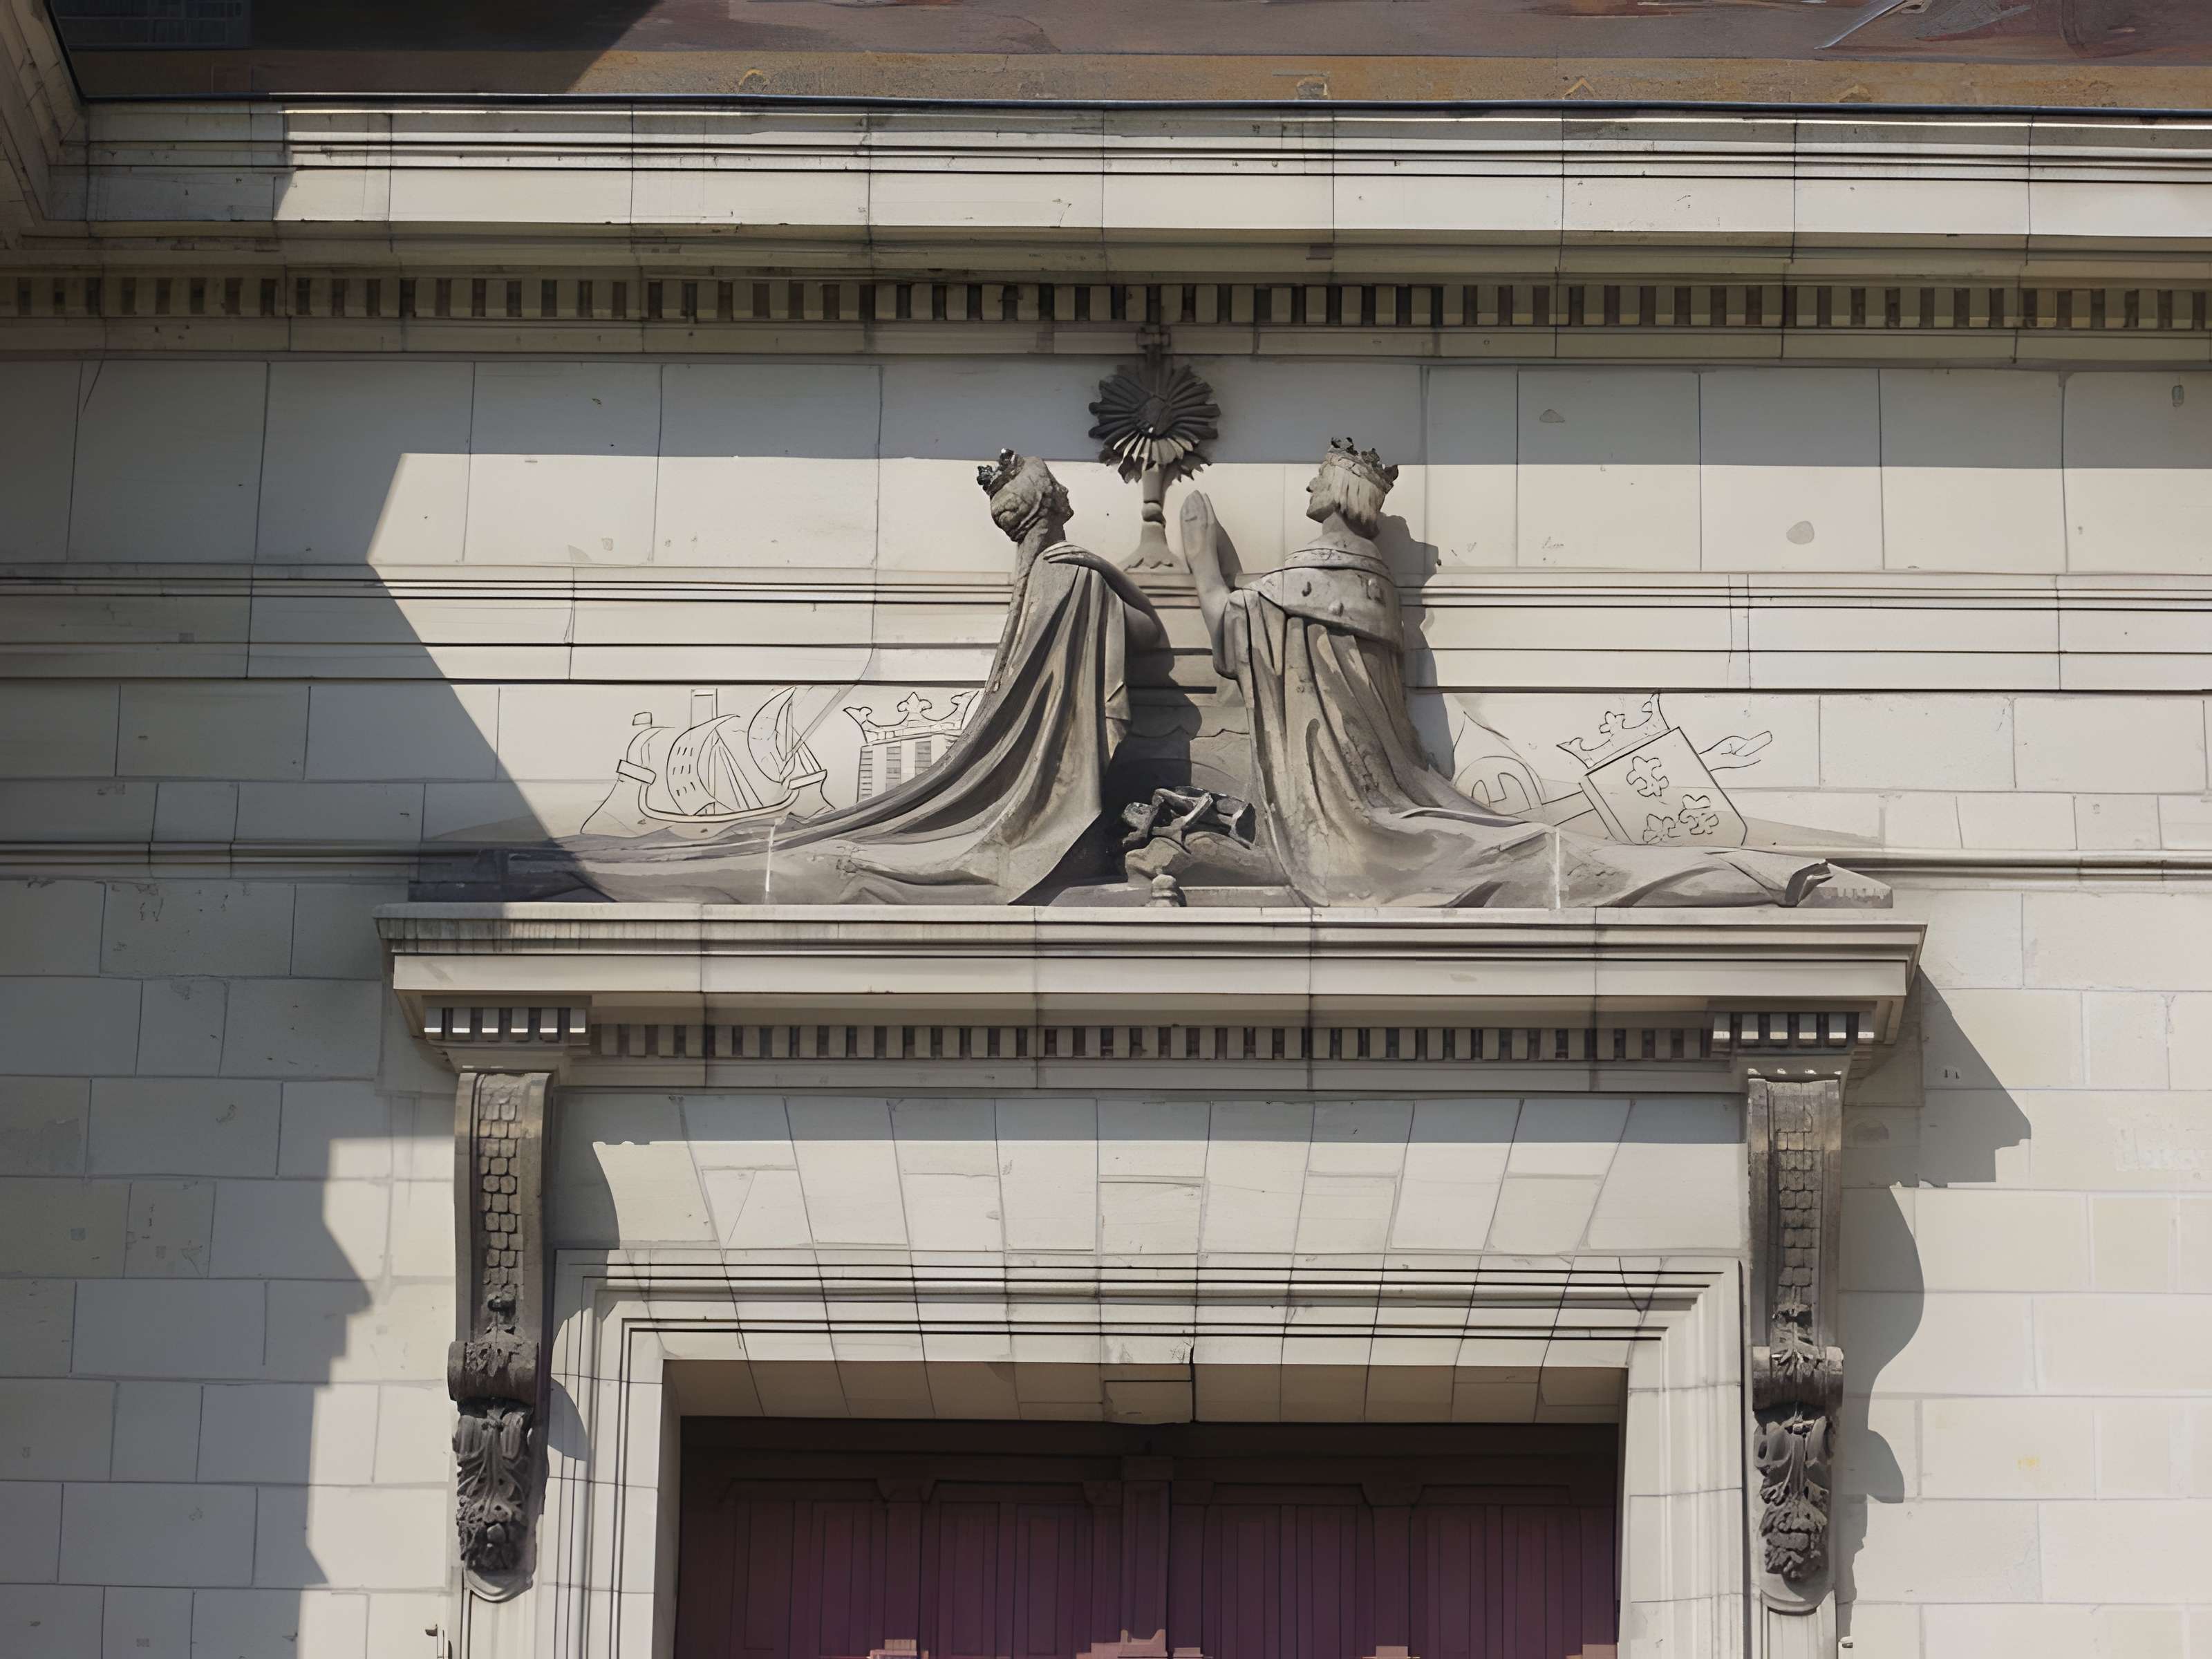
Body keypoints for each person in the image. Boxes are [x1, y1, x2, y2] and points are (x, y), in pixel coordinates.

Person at [1171, 438, 1851, 908]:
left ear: (1340, 491)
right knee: (1527, 850)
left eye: (1320, 477)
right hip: (1380, 785)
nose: (1310, 486)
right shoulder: (1357, 583)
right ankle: (1749, 875)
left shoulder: (1316, 578)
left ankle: (1750, 877)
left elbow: (1236, 631)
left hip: (1351, 809)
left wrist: (1203, 565)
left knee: (1512, 856)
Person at [565, 450, 1165, 904]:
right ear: (1052, 503)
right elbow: (1149, 636)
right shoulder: (1073, 576)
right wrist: (1108, 569)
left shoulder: (1043, 580)